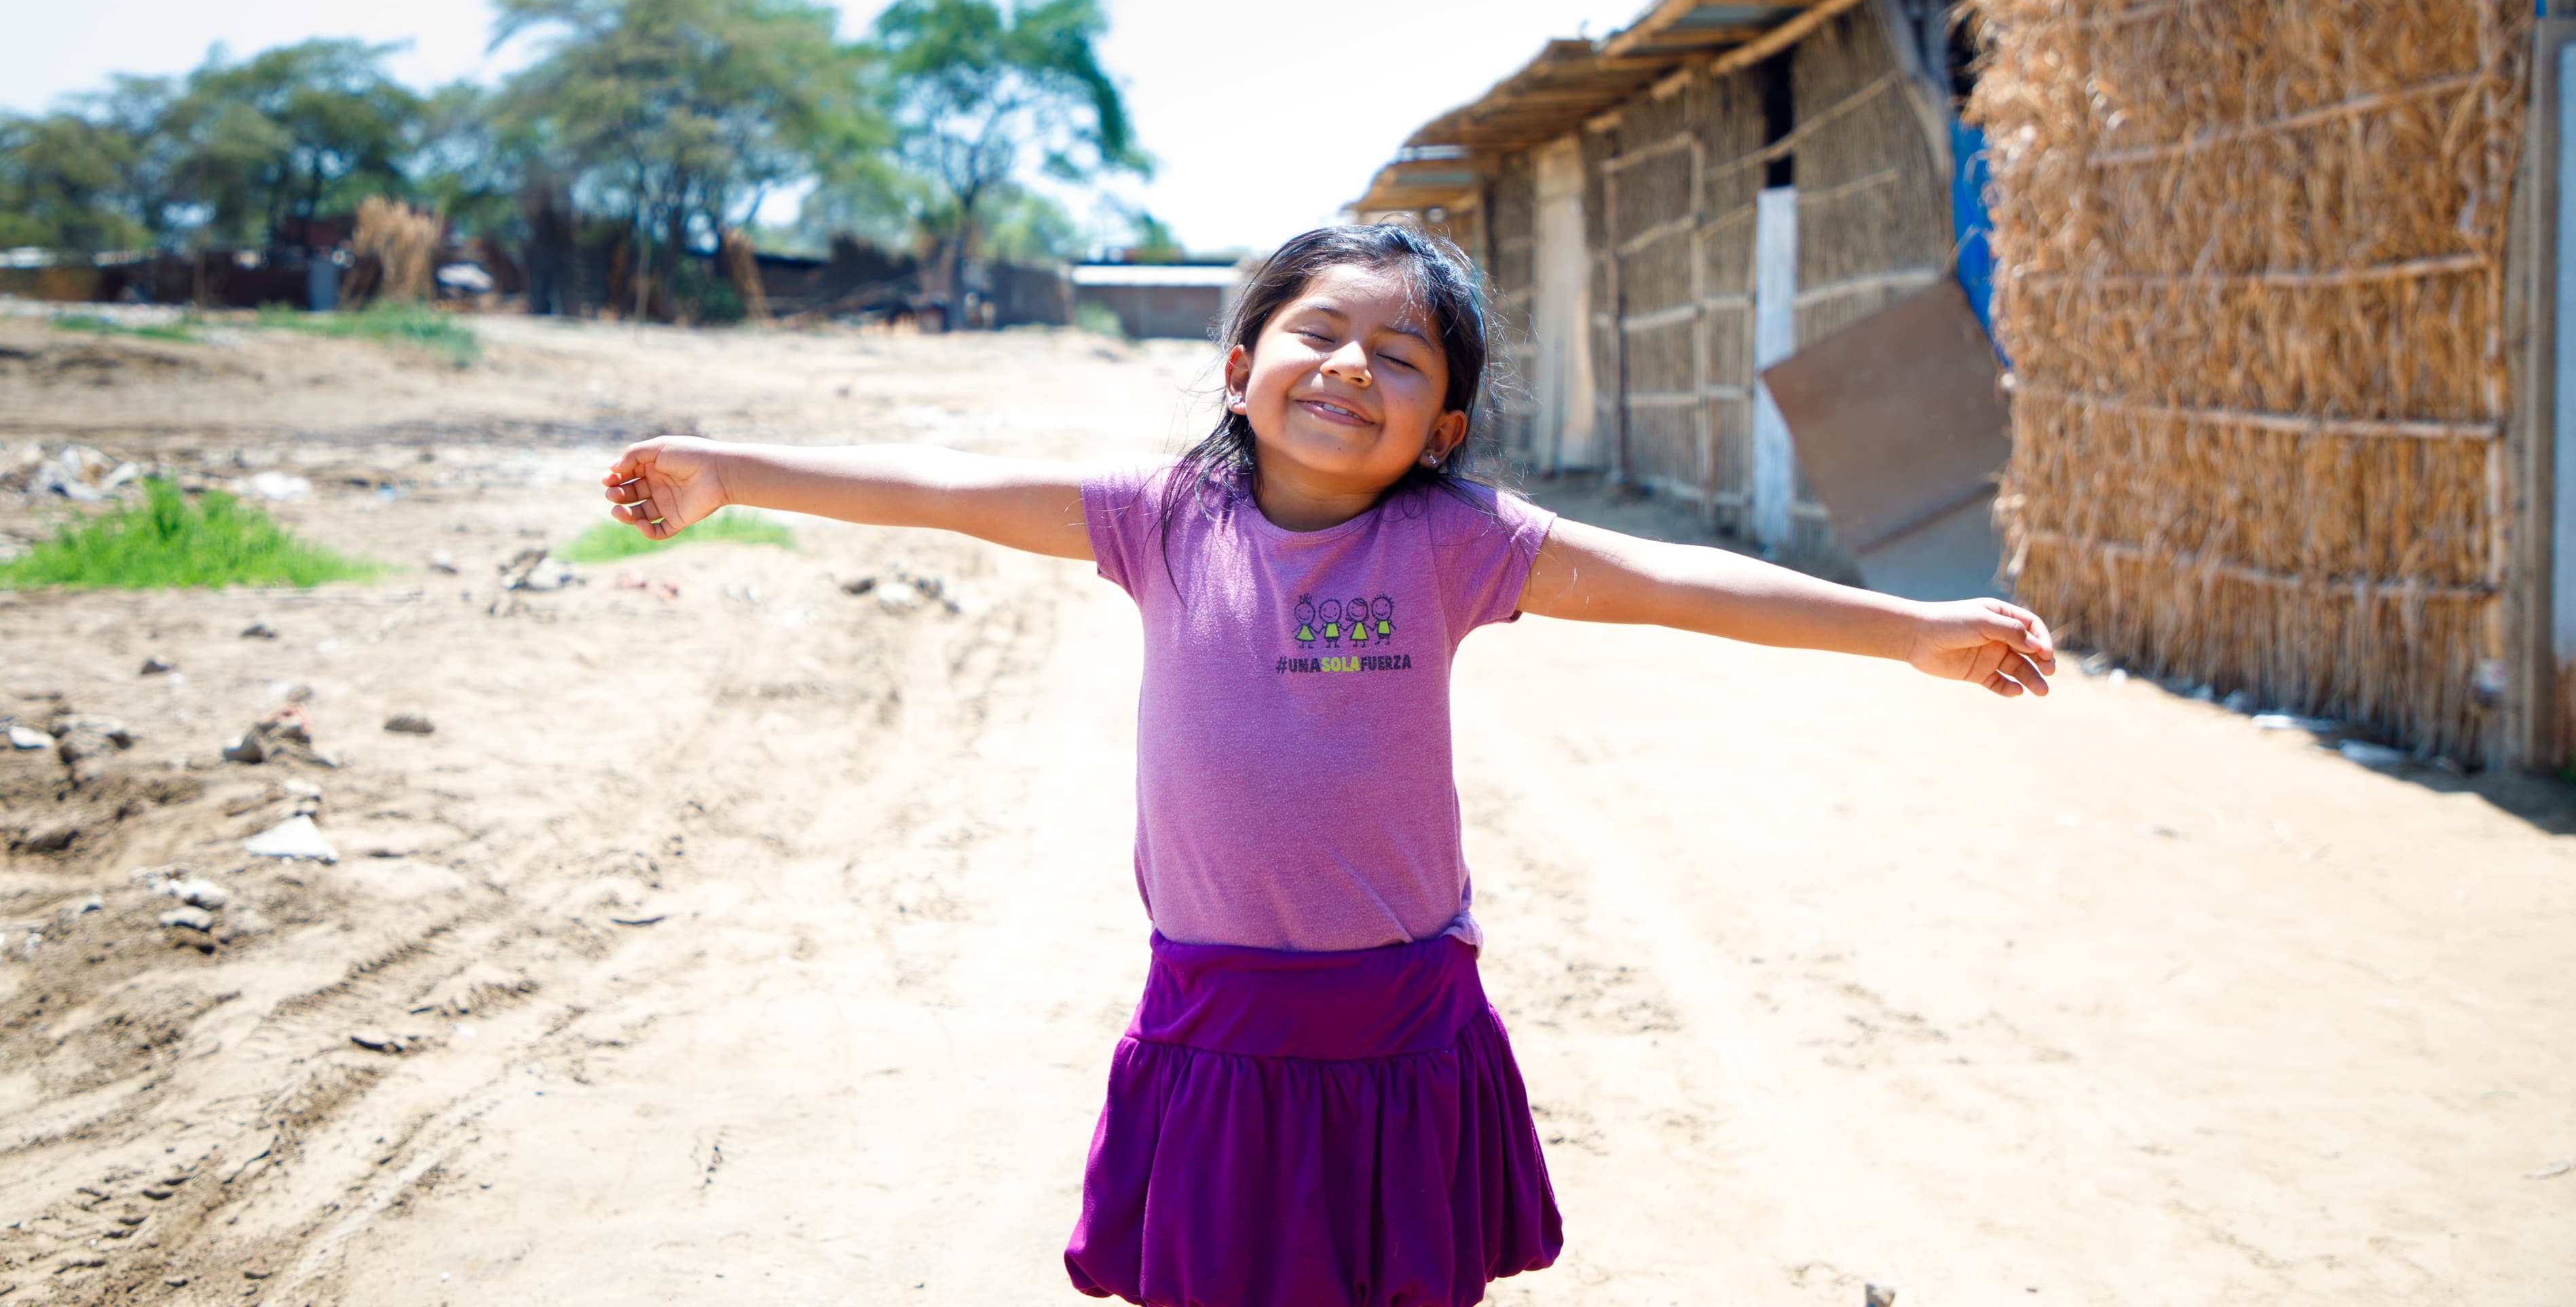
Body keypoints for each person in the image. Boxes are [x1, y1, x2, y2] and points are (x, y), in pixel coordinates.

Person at [598, 222, 2054, 1307]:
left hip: (1400, 1021)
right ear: (1240, 371)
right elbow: (937, 487)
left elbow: (1677, 582)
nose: (1352, 364)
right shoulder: (1155, 517)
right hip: (1220, 1022)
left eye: (1401, 356)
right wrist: (731, 469)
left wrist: (1910, 628)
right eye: (1316, 334)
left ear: (1447, 426)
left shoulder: (1454, 543)